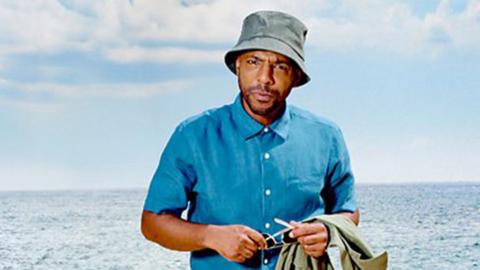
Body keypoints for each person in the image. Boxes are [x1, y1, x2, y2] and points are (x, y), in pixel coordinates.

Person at [141, 10, 359, 269]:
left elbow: (348, 212)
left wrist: (328, 231)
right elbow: (153, 223)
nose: (265, 78)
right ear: (237, 66)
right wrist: (210, 236)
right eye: (254, 61)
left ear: (296, 77)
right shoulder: (192, 136)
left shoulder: (327, 136)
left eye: (280, 66)